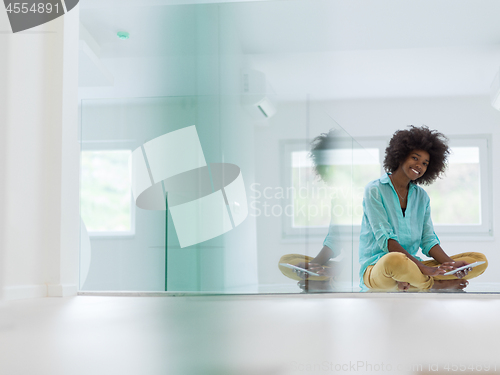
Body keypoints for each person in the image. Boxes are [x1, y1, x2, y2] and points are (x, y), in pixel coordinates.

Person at [360, 125, 487, 291]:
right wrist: (425, 269)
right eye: (415, 158)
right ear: (400, 156)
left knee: (478, 260)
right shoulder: (375, 190)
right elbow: (387, 241)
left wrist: (452, 265)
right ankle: (435, 284)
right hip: (379, 267)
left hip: (411, 266)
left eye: (425, 163)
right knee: (394, 261)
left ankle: (411, 283)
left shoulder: (422, 197)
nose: (419, 165)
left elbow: (428, 240)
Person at [278, 129, 343, 292]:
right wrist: (314, 265)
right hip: (352, 264)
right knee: (288, 260)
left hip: (374, 261)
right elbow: (336, 239)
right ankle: (328, 278)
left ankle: (330, 281)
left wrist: (338, 269)